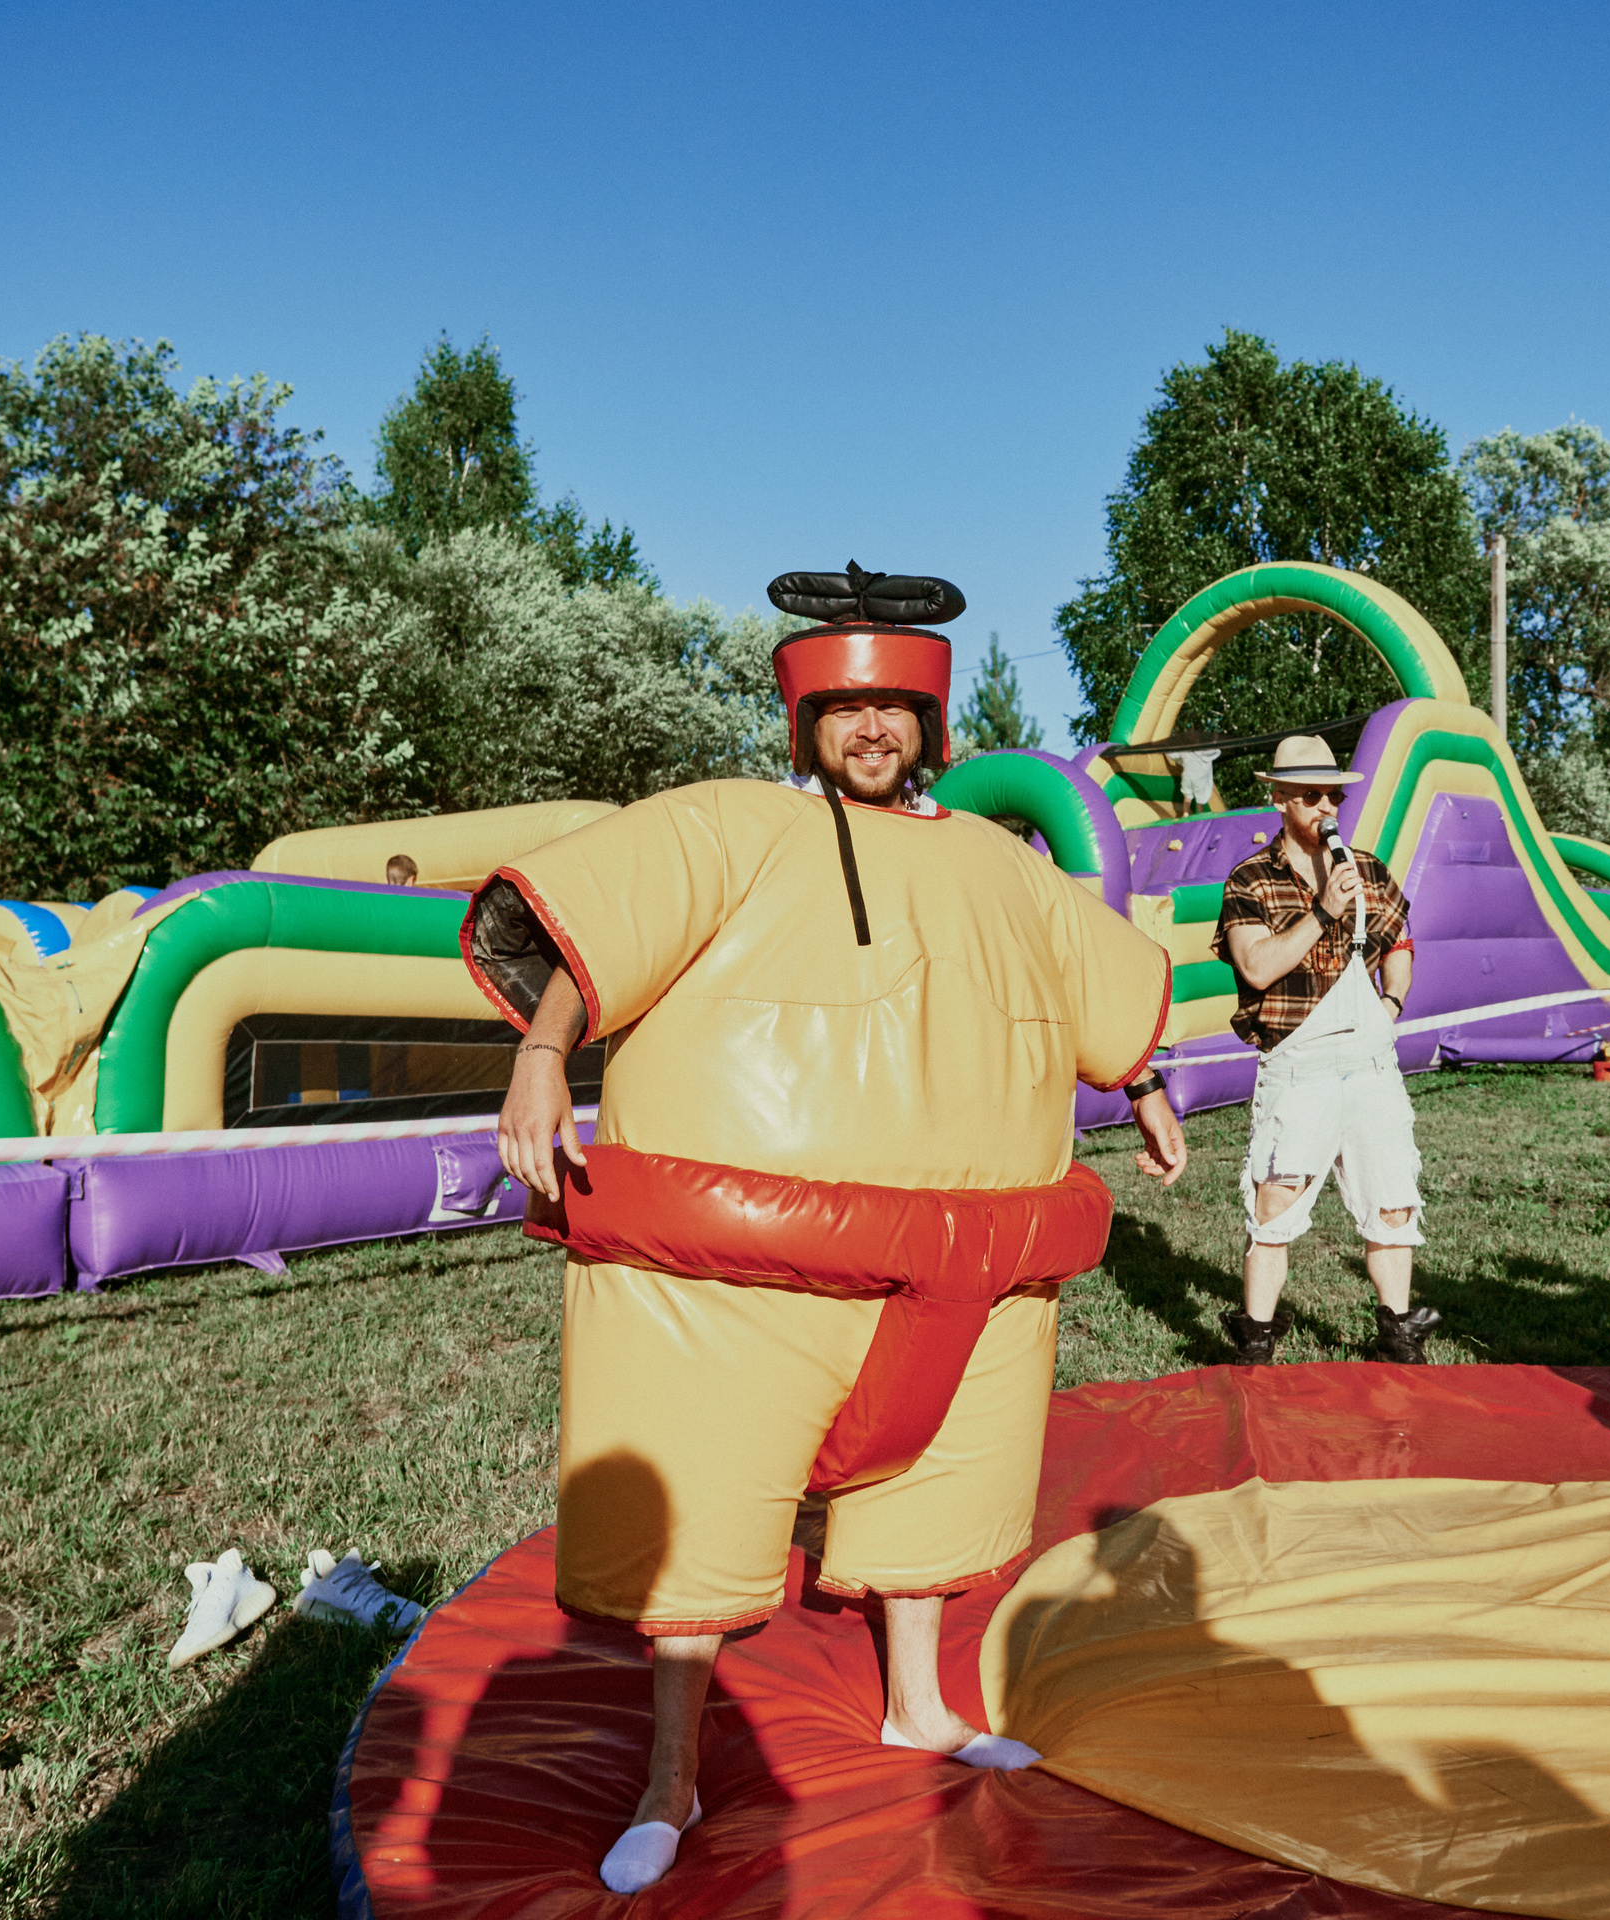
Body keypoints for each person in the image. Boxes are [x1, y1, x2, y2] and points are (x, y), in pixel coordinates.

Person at [472, 566, 1187, 1894]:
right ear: (807, 722)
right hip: (732, 1274)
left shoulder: (1001, 864)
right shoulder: (734, 826)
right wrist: (541, 1054)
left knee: (936, 1500)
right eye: (848, 709)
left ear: (930, 725)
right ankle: (670, 1779)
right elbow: (595, 942)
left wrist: (1144, 1086)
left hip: (960, 1263)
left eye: (894, 710)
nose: (872, 729)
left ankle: (919, 1706)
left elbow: (1092, 988)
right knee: (695, 1504)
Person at [1211, 734, 1438, 1366]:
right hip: (1298, 1064)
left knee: (1393, 1197)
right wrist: (1322, 910)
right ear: (1280, 799)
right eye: (1312, 796)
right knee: (1276, 1202)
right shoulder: (1251, 879)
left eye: (1334, 796)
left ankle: (1398, 1334)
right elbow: (1257, 967)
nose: (1327, 808)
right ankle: (1257, 1342)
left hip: (1370, 1063)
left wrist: (1392, 1004)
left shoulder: (1367, 869)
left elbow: (1400, 941)